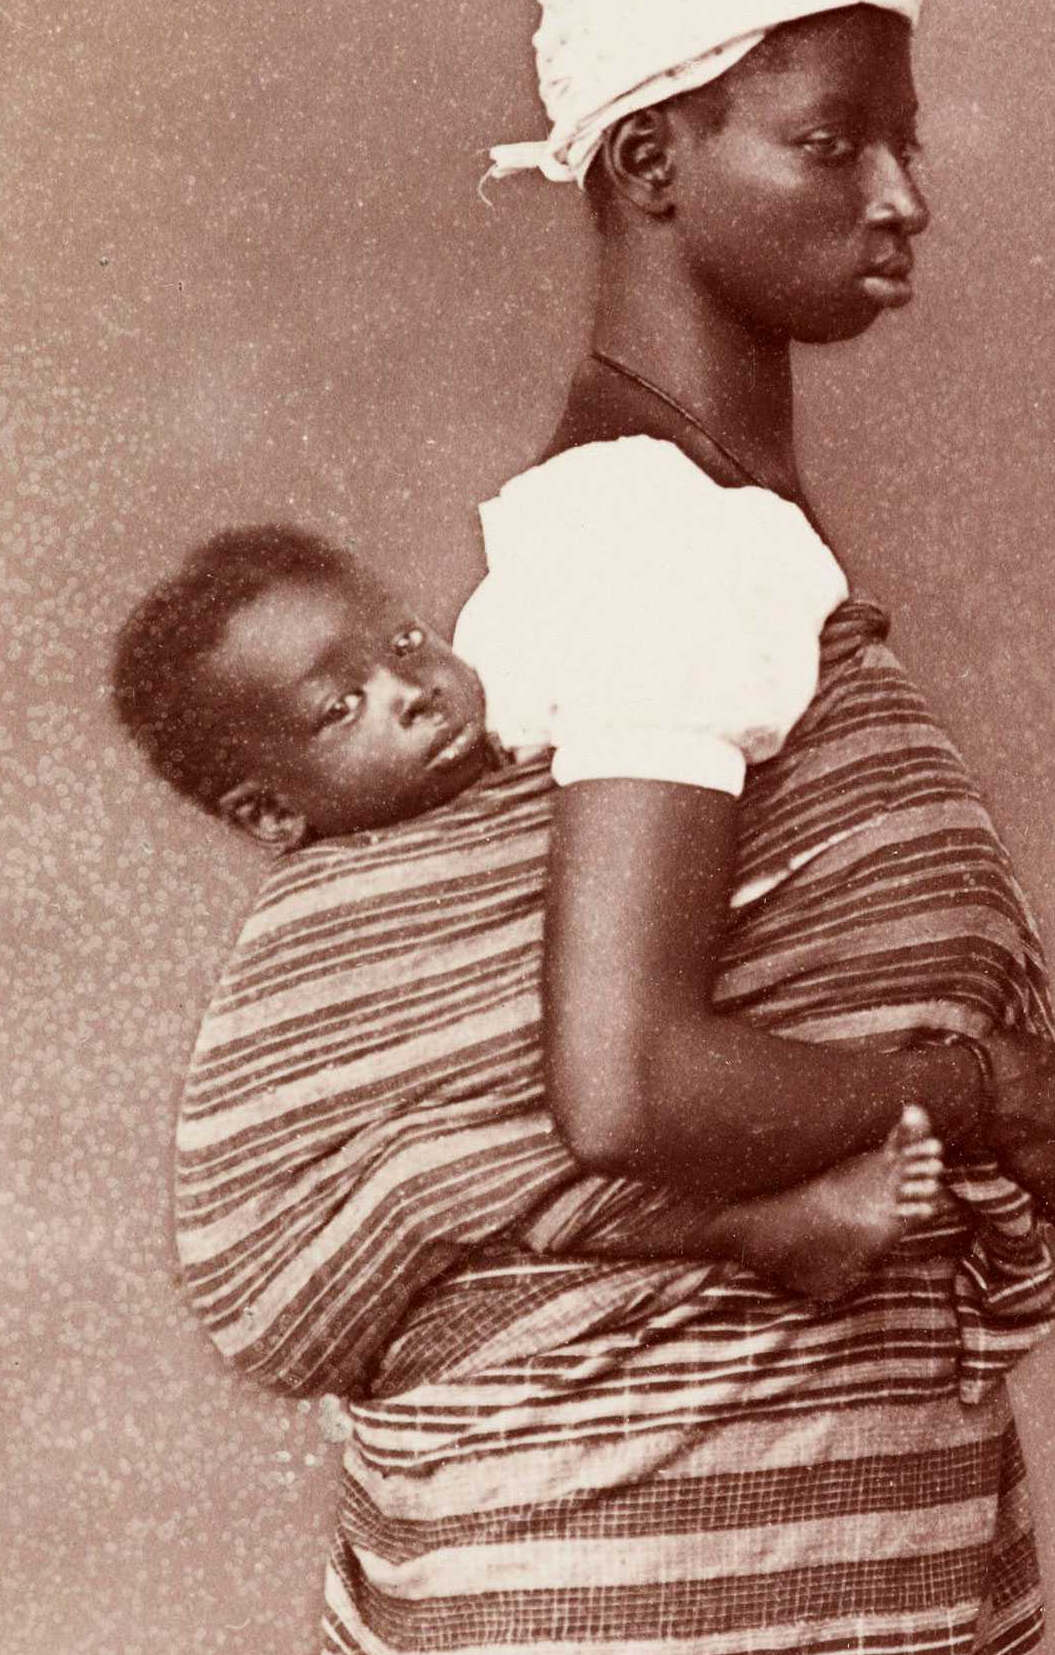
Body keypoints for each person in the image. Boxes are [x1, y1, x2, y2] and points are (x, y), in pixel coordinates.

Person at [168, 0, 1055, 1655]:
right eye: (832, 134)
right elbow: (623, 1081)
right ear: (646, 156)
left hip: (735, 1632)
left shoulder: (701, 523)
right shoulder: (651, 538)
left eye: (905, 133)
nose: (902, 196)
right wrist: (1004, 1092)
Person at [111, 520, 952, 1317]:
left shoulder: (557, 740)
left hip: (563, 1154)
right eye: (342, 705)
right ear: (268, 814)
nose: (413, 689)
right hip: (402, 1207)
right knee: (441, 1169)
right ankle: (755, 1230)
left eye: (403, 641)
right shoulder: (325, 922)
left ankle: (765, 1219)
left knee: (582, 1110)